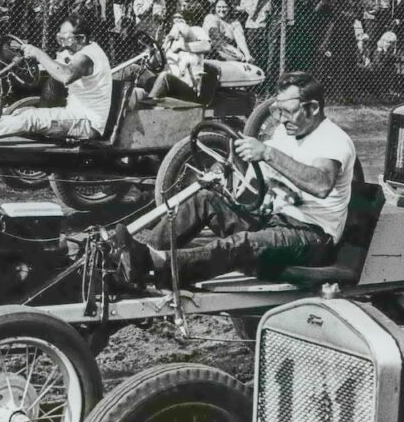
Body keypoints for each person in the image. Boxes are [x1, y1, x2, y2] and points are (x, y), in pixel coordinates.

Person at [109, 71, 355, 289]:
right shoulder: (286, 131)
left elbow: (321, 184)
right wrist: (231, 170)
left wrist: (268, 153)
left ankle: (157, 265)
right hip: (274, 221)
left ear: (313, 108)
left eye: (288, 112)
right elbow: (257, 168)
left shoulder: (333, 140)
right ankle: (138, 258)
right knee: (205, 200)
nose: (281, 120)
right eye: (277, 111)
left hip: (311, 236)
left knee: (240, 245)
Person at [0, 15, 111, 142]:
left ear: (81, 38)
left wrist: (39, 53)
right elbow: (48, 69)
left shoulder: (87, 56)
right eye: (59, 38)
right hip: (75, 115)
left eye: (66, 39)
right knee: (22, 111)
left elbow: (65, 75)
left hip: (87, 122)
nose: (62, 44)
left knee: (31, 118)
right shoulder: (77, 52)